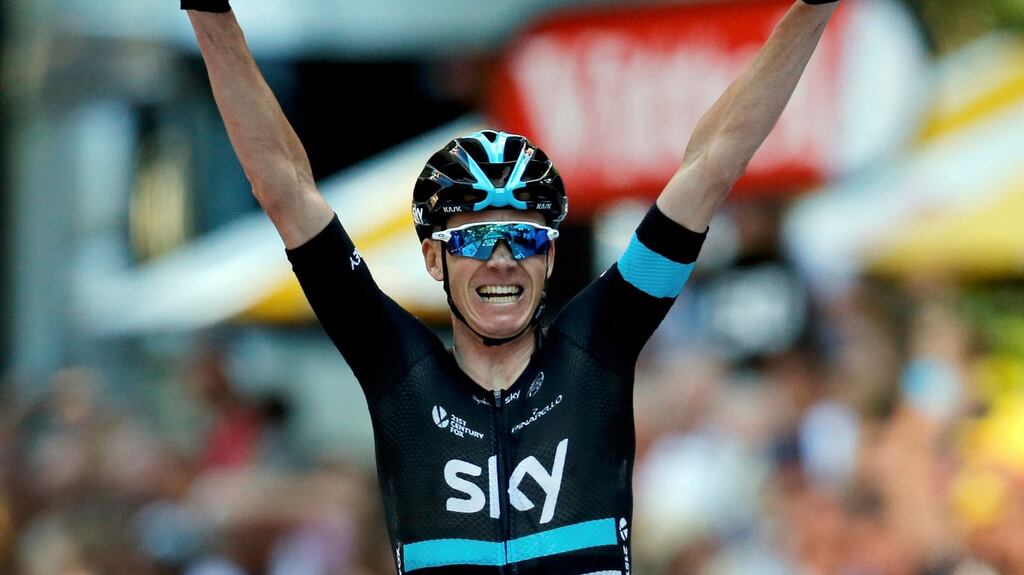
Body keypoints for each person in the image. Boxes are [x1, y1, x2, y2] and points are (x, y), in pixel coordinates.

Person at [182, 0, 840, 572]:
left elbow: (713, 161)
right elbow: (283, 188)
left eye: (523, 238)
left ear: (549, 256)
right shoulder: (398, 369)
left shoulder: (598, 346)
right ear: (435, 260)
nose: (500, 260)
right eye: (472, 239)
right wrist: (209, 13)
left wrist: (811, 9)